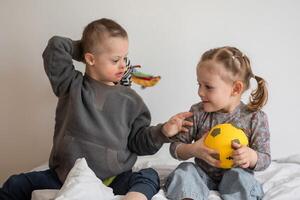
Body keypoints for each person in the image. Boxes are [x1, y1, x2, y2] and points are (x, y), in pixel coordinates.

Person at [0, 18, 193, 200]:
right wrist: (88, 47)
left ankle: (135, 197)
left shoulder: (131, 100)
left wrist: (162, 132)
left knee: (149, 176)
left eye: (125, 58)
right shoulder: (71, 85)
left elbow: (138, 142)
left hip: (114, 178)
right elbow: (55, 46)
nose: (123, 65)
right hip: (65, 177)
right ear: (90, 59)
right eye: (115, 59)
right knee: (15, 184)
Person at [164, 46, 271, 200]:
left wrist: (251, 156)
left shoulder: (255, 118)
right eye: (199, 84)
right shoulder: (197, 112)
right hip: (202, 175)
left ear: (236, 88)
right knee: (185, 170)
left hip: (235, 176)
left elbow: (265, 158)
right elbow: (175, 148)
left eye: (208, 87)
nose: (200, 92)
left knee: (243, 179)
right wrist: (193, 149)